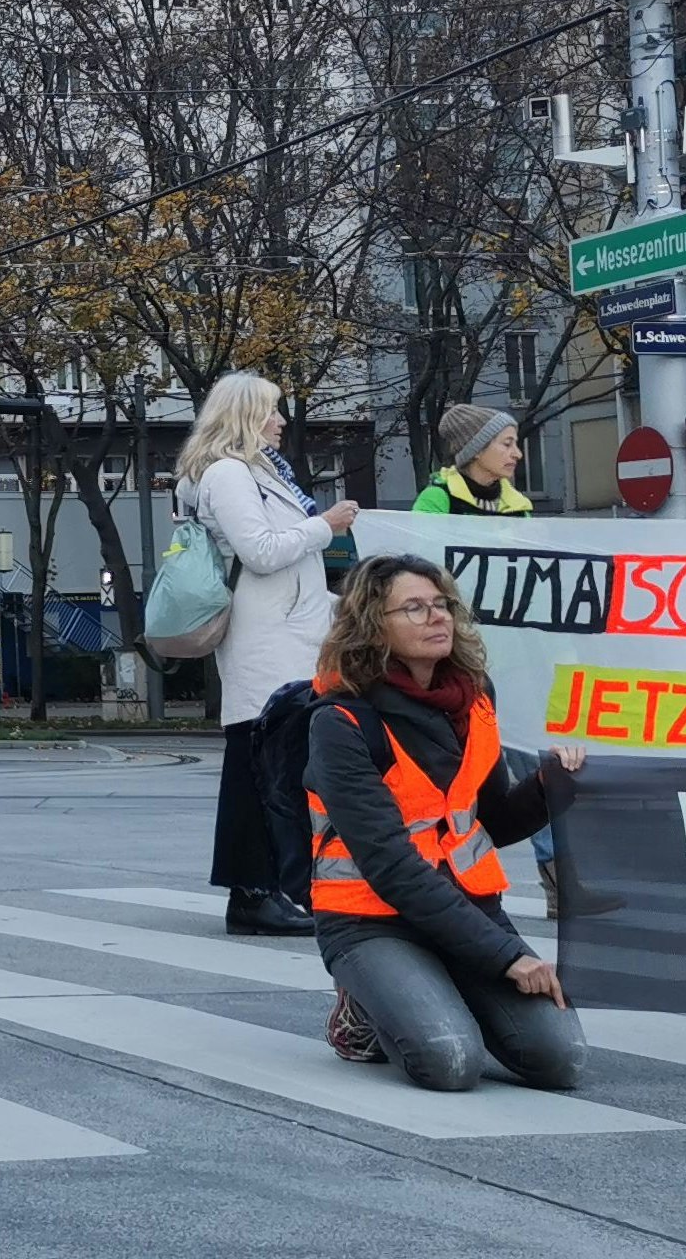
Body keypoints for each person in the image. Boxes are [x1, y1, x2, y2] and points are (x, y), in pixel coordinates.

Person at [304, 555, 588, 1091]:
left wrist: (551, 786)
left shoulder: (474, 697)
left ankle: (438, 991)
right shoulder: (340, 721)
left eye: (442, 605)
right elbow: (390, 866)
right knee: (449, 1062)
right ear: (371, 624)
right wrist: (506, 958)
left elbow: (491, 820)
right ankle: (364, 1013)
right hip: (371, 922)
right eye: (414, 608)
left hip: (468, 911)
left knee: (561, 1058)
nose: (437, 618)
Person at [403, 404, 609, 919]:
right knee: (477, 778)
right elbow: (419, 570)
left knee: (550, 767)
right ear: (475, 450)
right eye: (508, 443)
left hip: (524, 659)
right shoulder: (435, 503)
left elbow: (537, 587)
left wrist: (562, 652)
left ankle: (564, 883)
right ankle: (453, 878)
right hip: (467, 666)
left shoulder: (518, 507)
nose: (517, 454)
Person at [176, 371, 360, 939]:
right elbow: (260, 553)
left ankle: (271, 890)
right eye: (273, 412)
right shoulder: (230, 474)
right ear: (246, 417)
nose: (281, 421)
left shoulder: (258, 473)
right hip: (266, 646)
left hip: (288, 638)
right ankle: (257, 893)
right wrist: (323, 528)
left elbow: (287, 570)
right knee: (264, 774)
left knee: (275, 773)